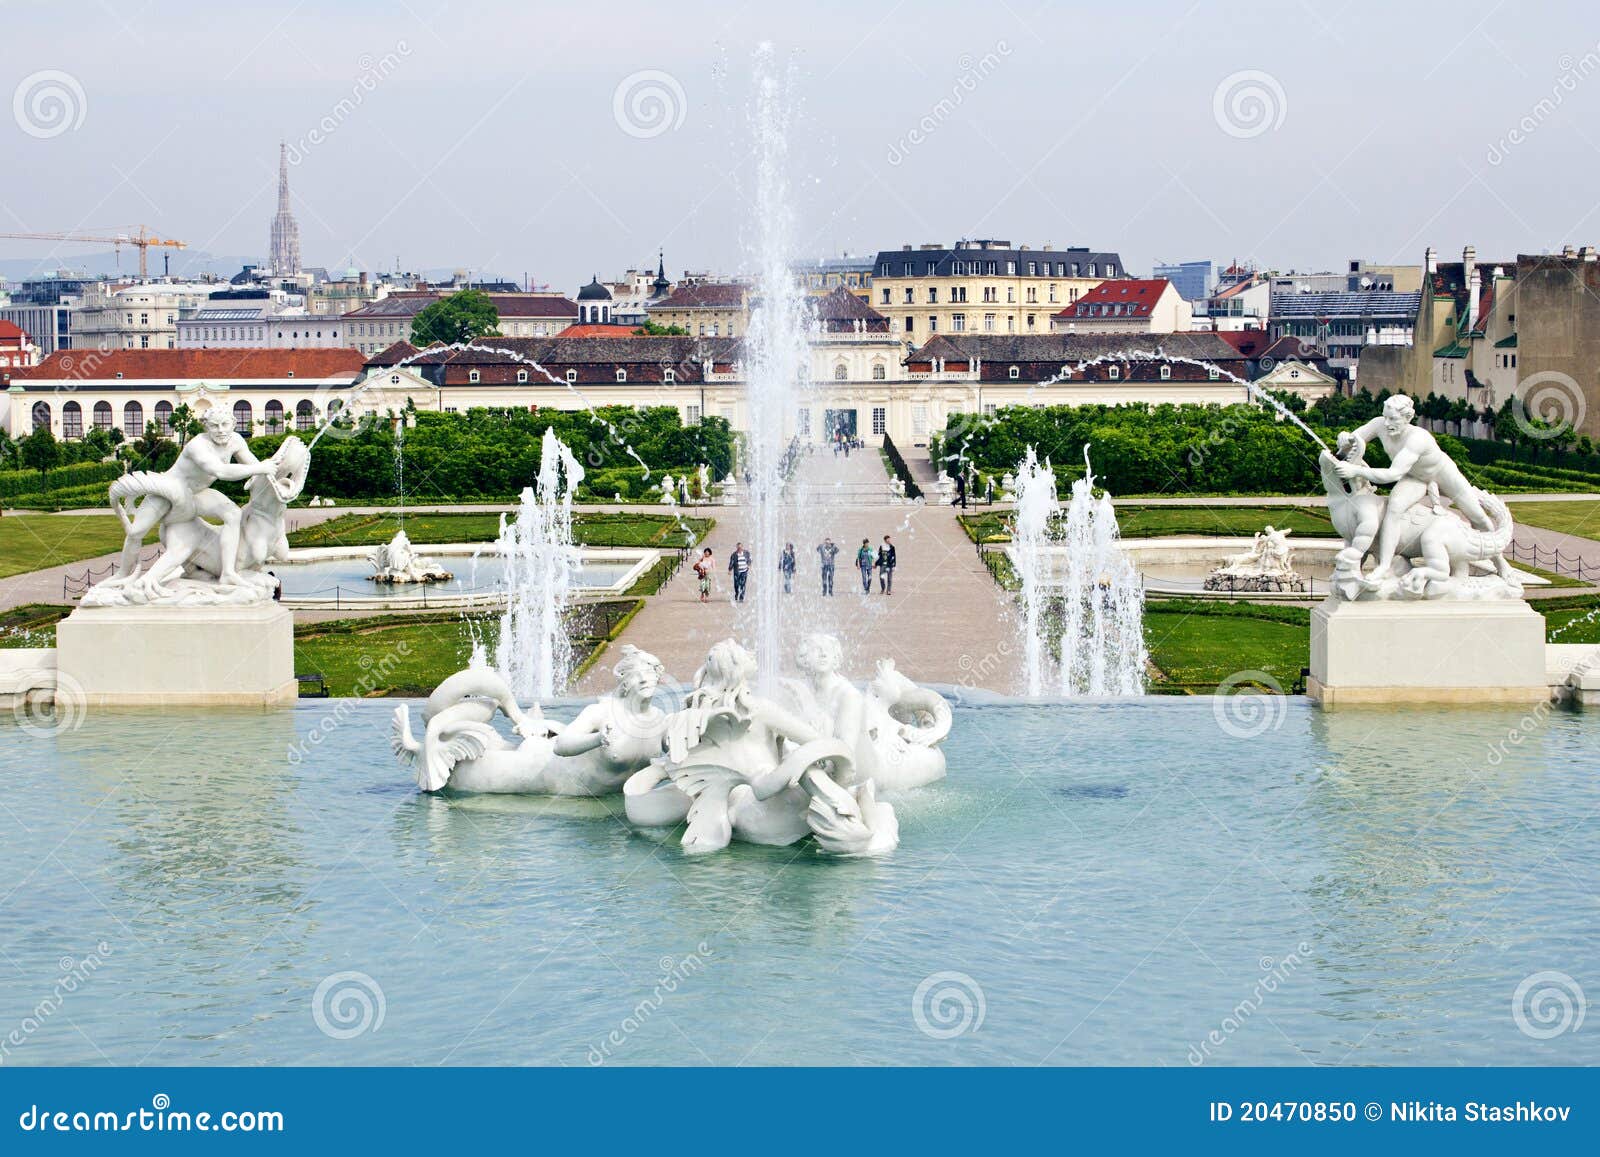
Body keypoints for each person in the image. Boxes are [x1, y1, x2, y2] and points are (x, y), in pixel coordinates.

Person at [1332, 394, 1494, 585]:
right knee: (1394, 507)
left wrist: (1356, 470)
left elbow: (1393, 474)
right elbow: (1354, 439)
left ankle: (1501, 563)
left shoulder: (1418, 438)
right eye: (1385, 416)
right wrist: (1344, 438)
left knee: (1478, 516)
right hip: (1415, 478)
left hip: (1442, 473)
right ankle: (1384, 566)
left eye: (1392, 419)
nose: (1387, 422)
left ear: (1407, 418)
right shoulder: (1379, 424)